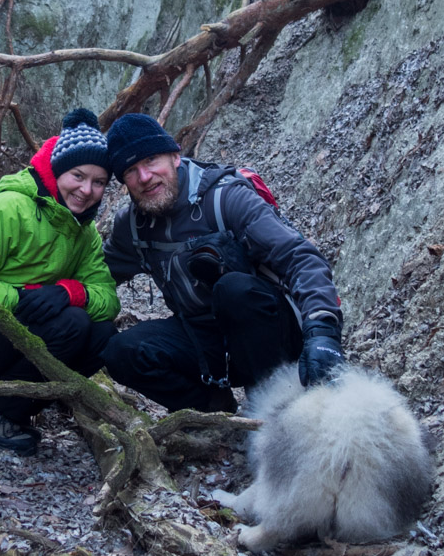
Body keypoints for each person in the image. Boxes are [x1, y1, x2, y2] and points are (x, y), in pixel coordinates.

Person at [100, 113, 344, 414]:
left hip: (271, 331)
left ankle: (274, 403)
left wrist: (322, 329)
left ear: (175, 155)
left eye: (151, 160)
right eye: (131, 170)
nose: (145, 177)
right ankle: (214, 411)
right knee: (121, 352)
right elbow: (99, 273)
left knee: (235, 290)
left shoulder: (225, 198)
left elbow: (299, 256)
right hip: (206, 342)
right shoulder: (133, 226)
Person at [0, 108, 120, 455]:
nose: (87, 190)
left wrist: (69, 291)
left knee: (103, 335)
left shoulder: (83, 233)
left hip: (10, 335)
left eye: (99, 182)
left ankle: (0, 406)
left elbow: (107, 298)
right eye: (78, 175)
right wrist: (24, 298)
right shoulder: (4, 209)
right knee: (72, 324)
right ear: (59, 170)